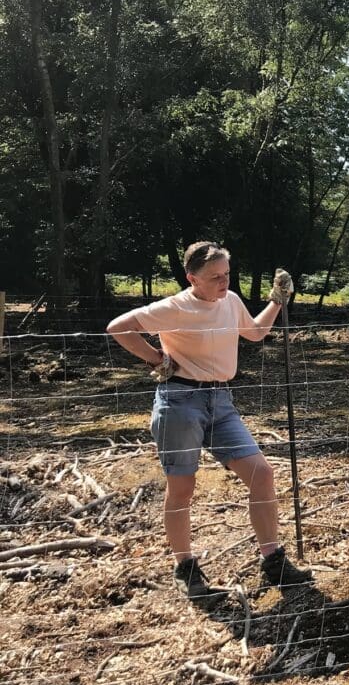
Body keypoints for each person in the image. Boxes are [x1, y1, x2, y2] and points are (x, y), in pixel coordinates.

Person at [107, 241, 312, 601]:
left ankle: (273, 560)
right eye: (215, 277)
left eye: (227, 275)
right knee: (182, 488)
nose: (223, 282)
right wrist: (156, 359)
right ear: (192, 278)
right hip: (180, 402)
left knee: (261, 473)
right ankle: (185, 566)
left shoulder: (230, 302)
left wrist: (277, 302)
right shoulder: (175, 306)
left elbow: (255, 333)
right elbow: (119, 327)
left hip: (221, 402)